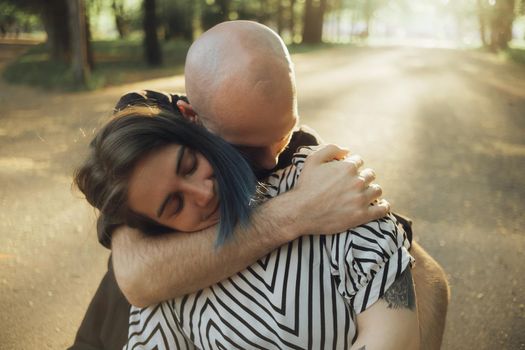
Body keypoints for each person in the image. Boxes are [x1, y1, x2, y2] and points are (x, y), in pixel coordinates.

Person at [69, 21, 449, 350]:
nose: (270, 161)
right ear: (191, 120)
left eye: (282, 134)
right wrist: (297, 211)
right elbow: (138, 277)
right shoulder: (142, 133)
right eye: (246, 147)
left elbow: (395, 257)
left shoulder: (297, 155)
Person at [75, 103, 419, 349]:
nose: (204, 192)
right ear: (154, 227)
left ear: (194, 127)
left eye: (190, 165)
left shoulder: (322, 182)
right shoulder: (166, 290)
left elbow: (396, 335)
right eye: (175, 204)